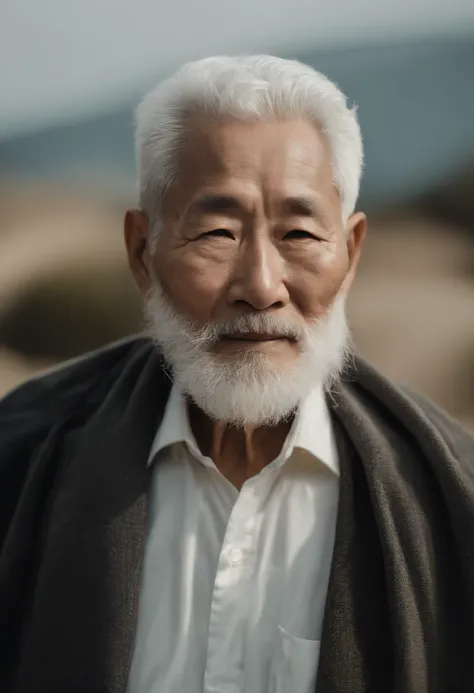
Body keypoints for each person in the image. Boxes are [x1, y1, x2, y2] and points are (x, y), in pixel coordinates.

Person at [1, 55, 473, 693]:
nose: (260, 286)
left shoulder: (452, 494)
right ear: (143, 253)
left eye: (301, 233)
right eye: (216, 233)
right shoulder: (19, 458)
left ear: (353, 252)